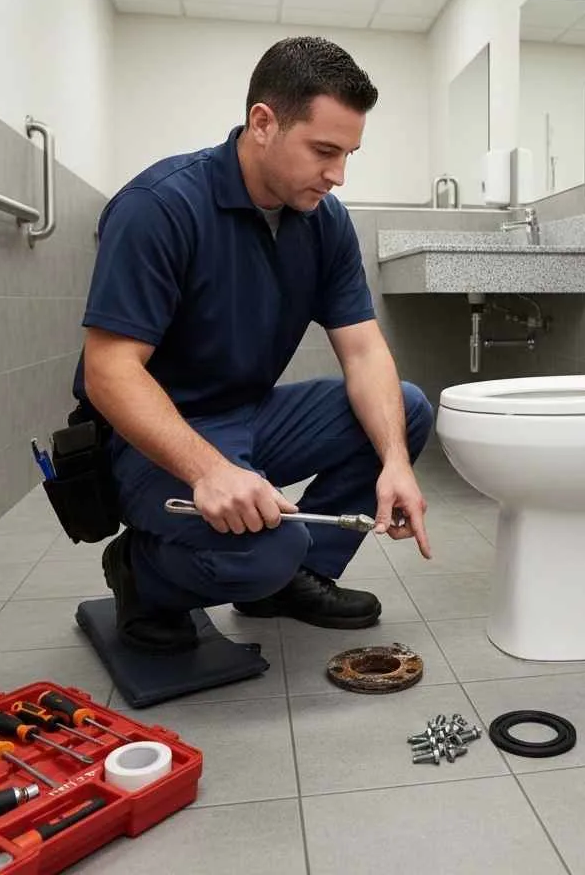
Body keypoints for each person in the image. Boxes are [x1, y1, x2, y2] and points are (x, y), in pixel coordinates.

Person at [73, 35, 434, 655]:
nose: (338, 174)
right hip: (152, 434)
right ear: (262, 123)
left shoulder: (324, 221)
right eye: (324, 150)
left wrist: (396, 463)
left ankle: (284, 584)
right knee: (268, 546)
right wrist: (210, 471)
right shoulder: (159, 207)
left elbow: (365, 351)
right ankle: (142, 570)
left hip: (248, 413)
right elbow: (109, 370)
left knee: (406, 410)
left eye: (349, 153)